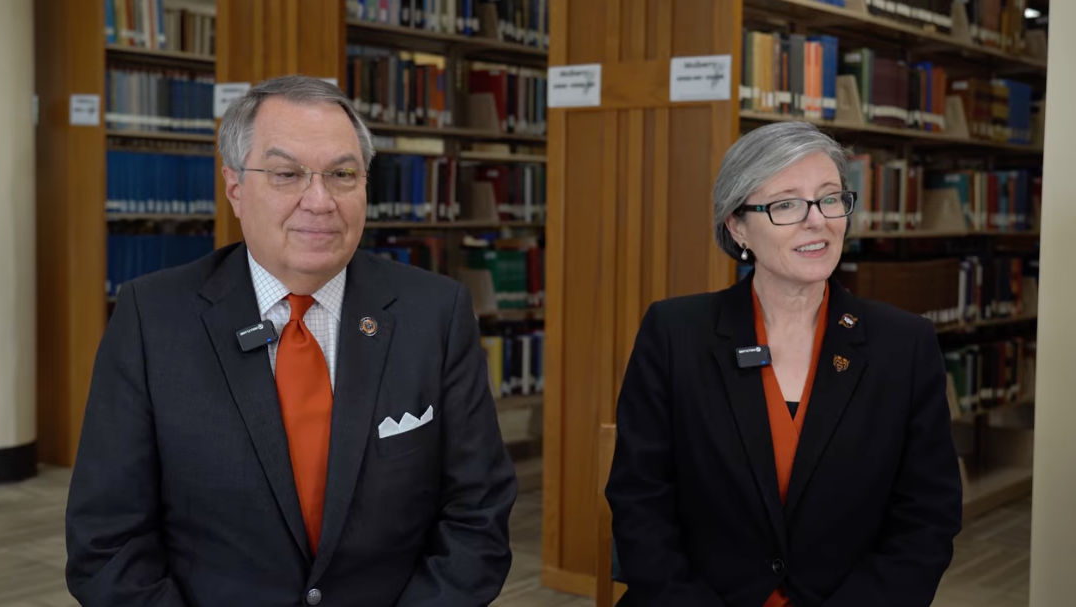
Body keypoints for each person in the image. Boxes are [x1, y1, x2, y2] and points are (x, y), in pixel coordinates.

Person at [65, 75, 517, 607]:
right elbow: (108, 543)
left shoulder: (436, 313)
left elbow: (477, 514)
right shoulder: (152, 318)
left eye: (342, 175)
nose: (319, 201)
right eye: (286, 174)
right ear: (235, 188)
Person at [605, 121, 963, 607]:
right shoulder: (673, 333)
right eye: (786, 204)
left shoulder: (905, 344)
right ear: (737, 225)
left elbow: (927, 518)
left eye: (829, 198)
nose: (816, 221)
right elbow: (639, 502)